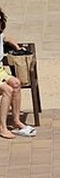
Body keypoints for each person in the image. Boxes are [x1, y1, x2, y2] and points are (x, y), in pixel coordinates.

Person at [0, 8, 36, 139]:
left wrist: (17, 47)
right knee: (7, 90)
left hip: (0, 71)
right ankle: (2, 127)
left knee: (16, 83)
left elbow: (7, 38)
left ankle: (16, 121)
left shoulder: (0, 35)